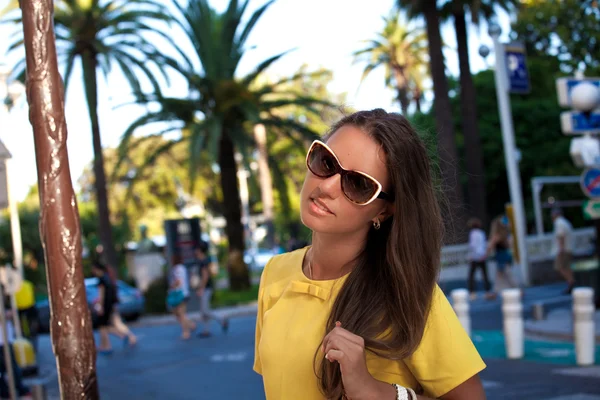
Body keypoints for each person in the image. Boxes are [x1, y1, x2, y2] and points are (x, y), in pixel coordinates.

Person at [253, 110, 486, 400]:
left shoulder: (405, 293)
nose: (326, 186)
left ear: (384, 210)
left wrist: (377, 392)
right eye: (325, 162)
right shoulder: (275, 273)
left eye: (358, 184)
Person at [194, 242, 229, 338]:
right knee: (203, 312)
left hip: (206, 288)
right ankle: (206, 330)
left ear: (200, 250)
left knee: (205, 311)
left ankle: (222, 319)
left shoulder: (203, 261)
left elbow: (205, 276)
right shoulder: (204, 260)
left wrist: (201, 288)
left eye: (196, 249)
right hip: (207, 287)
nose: (195, 251)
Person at [0, 292, 31, 399]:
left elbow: (11, 313)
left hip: (5, 340)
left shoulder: (5, 301)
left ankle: (19, 390)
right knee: (7, 368)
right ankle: (7, 392)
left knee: (11, 367)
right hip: (3, 340)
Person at [105, 265, 137, 347]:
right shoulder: (112, 282)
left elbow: (111, 297)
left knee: (114, 325)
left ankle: (129, 337)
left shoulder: (109, 283)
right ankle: (126, 336)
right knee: (113, 325)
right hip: (113, 306)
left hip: (111, 307)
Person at [91, 262, 119, 354]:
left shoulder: (101, 280)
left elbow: (101, 295)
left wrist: (100, 306)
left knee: (102, 326)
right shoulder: (108, 278)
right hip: (109, 304)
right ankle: (104, 345)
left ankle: (106, 346)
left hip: (105, 305)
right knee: (104, 326)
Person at [486, 216, 519, 293]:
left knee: (506, 274)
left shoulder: (497, 235)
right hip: (506, 256)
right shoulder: (505, 235)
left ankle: (517, 289)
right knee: (500, 275)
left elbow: (491, 246)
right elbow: (509, 246)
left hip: (501, 257)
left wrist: (486, 254)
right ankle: (495, 291)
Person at [168, 255, 195, 340]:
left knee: (181, 314)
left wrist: (171, 287)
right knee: (179, 314)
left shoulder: (177, 269)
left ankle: (186, 332)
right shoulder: (182, 268)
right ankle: (191, 324)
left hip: (179, 294)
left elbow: (178, 281)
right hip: (184, 293)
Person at [467, 218, 494, 300]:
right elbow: (483, 244)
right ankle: (487, 291)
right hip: (482, 256)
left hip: (475, 257)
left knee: (471, 276)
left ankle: (472, 293)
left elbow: (473, 245)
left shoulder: (472, 233)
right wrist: (484, 254)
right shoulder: (482, 233)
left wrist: (472, 255)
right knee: (485, 275)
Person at [552, 208, 575, 294]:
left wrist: (560, 249)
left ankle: (571, 282)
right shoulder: (565, 222)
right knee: (567, 267)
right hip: (569, 248)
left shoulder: (559, 223)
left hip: (564, 249)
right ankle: (571, 283)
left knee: (560, 267)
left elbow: (561, 236)